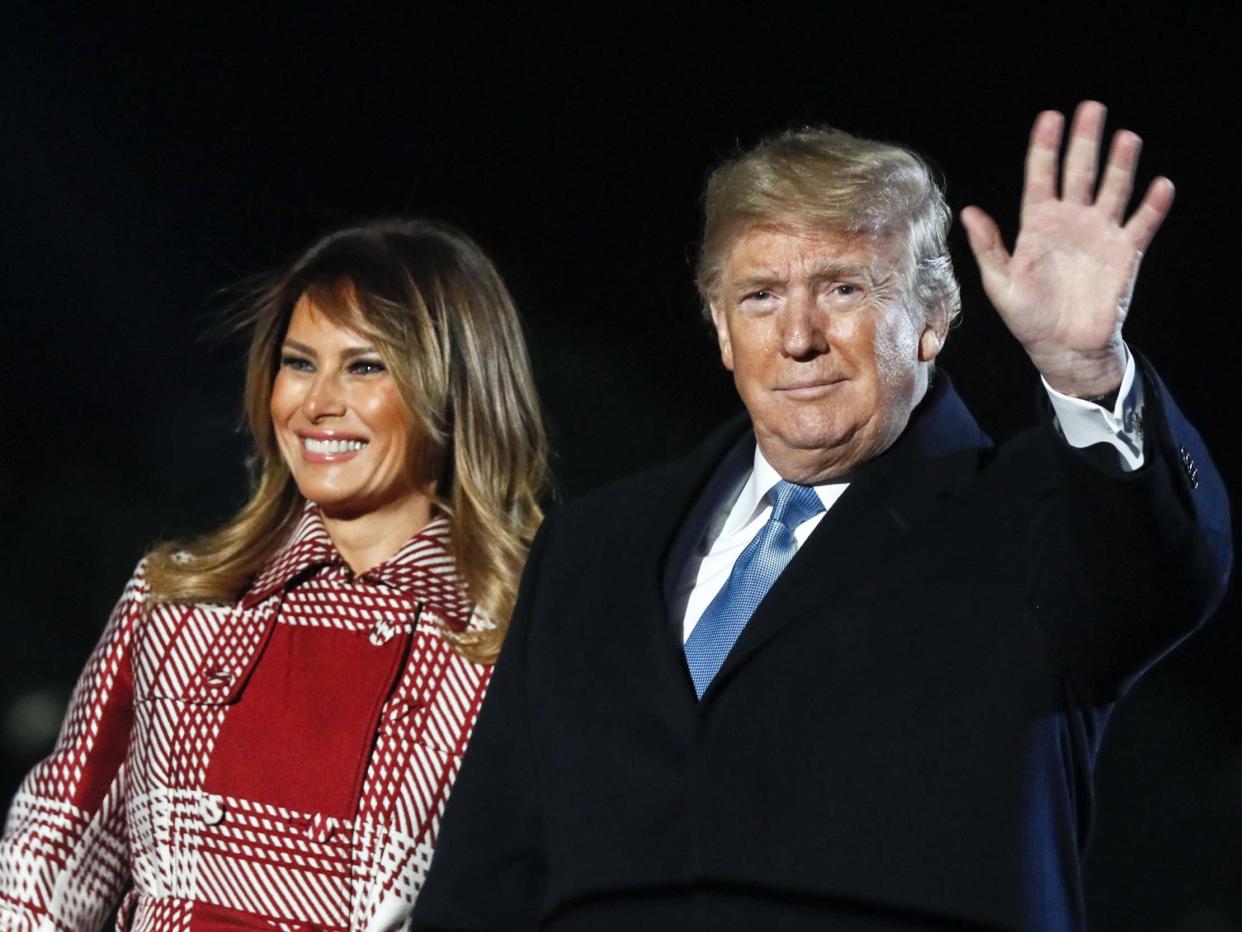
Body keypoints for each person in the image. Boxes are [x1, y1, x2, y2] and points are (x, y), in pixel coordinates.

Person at [413, 102, 1232, 932]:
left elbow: (1160, 571)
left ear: (932, 321)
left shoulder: (1031, 515)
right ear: (722, 330)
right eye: (761, 296)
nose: (799, 336)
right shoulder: (591, 547)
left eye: (842, 288)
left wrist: (1087, 373)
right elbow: (490, 868)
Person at [0, 219, 548, 929]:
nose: (316, 403)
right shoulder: (179, 602)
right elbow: (49, 858)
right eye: (298, 362)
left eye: (365, 365)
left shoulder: (519, 635)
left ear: (454, 388)